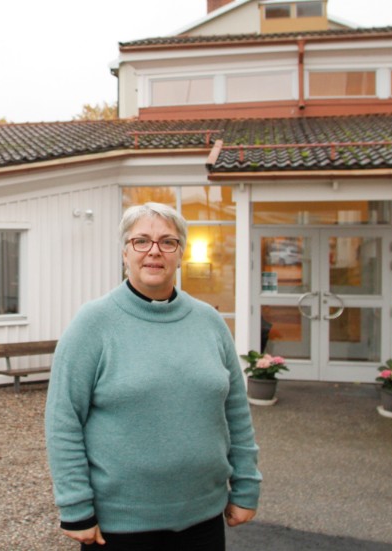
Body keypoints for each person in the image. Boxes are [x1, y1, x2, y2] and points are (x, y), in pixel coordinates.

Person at [44, 202, 261, 550]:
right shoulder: (93, 324)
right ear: (125, 253)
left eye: (167, 242)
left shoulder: (209, 322)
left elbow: (236, 411)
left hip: (203, 520)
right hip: (121, 528)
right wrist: (75, 506)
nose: (154, 252)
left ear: (180, 253)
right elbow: (63, 419)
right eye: (141, 241)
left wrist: (247, 486)